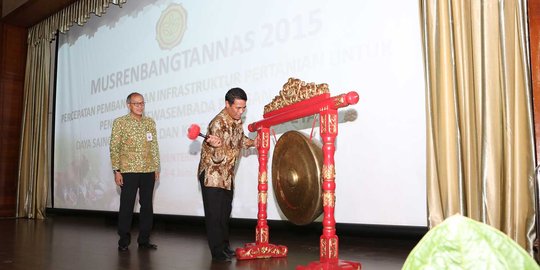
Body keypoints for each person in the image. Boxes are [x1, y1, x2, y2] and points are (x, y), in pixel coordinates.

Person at [198, 87, 257, 262]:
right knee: (215, 215)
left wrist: (254, 142)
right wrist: (217, 147)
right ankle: (217, 252)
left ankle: (224, 247)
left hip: (227, 175)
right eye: (238, 108)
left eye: (243, 108)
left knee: (224, 213)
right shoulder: (217, 123)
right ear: (227, 104)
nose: (241, 112)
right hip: (212, 175)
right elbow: (218, 158)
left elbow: (240, 140)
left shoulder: (237, 121)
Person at [109, 92, 160, 251]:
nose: (140, 106)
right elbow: (114, 147)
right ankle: (123, 241)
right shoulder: (120, 123)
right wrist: (117, 170)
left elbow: (154, 146)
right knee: (127, 206)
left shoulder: (149, 122)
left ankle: (144, 240)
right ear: (128, 105)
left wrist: (156, 167)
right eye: (136, 103)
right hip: (128, 171)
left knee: (147, 206)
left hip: (147, 170)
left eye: (142, 103)